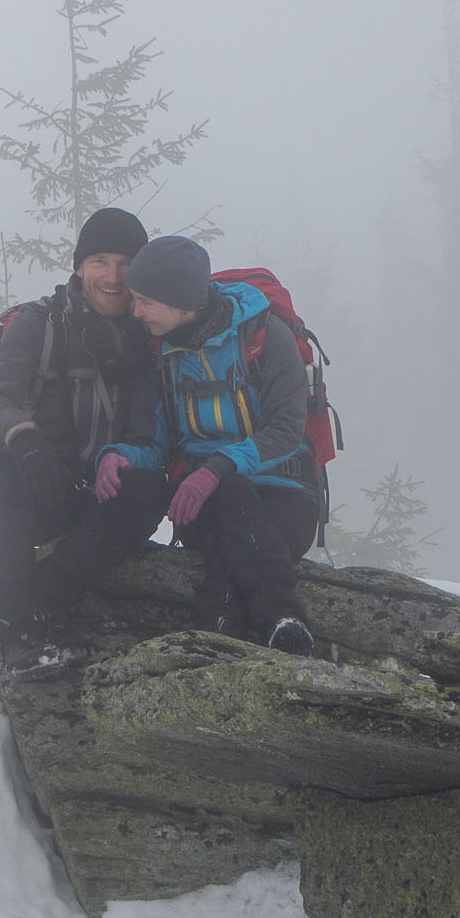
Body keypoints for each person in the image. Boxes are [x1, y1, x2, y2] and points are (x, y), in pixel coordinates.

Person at [93, 234, 319, 656]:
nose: (136, 311)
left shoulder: (266, 337)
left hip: (285, 498)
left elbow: (287, 430)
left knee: (230, 508)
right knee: (230, 503)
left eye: (146, 301)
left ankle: (212, 629)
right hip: (202, 505)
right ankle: (282, 620)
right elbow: (156, 444)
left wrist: (216, 468)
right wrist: (119, 455)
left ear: (182, 303)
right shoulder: (160, 356)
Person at [0, 208, 169, 672]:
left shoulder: (150, 332)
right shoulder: (39, 325)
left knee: (148, 490)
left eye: (125, 263)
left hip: (97, 494)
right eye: (100, 260)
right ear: (79, 266)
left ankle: (52, 595)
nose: (113, 277)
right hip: (38, 485)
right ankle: (18, 622)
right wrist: (24, 438)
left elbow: (156, 432)